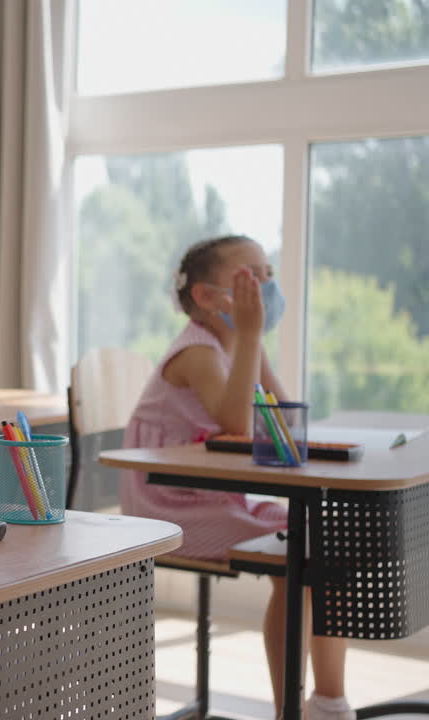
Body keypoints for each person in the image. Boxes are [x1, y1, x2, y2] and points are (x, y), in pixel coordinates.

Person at [120, 235, 353, 720]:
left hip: (217, 497)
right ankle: (291, 711)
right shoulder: (198, 352)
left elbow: (285, 419)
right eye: (252, 277)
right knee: (299, 557)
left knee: (326, 543)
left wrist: (254, 342)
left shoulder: (238, 347)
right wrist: (249, 338)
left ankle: (329, 702)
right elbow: (236, 425)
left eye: (268, 274)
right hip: (169, 507)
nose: (266, 286)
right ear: (206, 297)